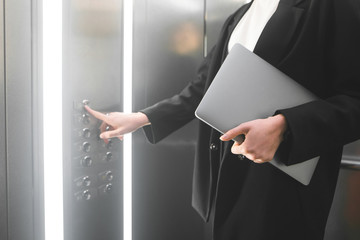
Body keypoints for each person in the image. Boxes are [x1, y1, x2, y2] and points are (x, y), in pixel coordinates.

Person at [85, 0, 360, 239]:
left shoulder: (329, 6)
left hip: (280, 193)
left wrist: (285, 126)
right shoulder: (239, 16)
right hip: (221, 183)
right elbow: (203, 89)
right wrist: (142, 117)